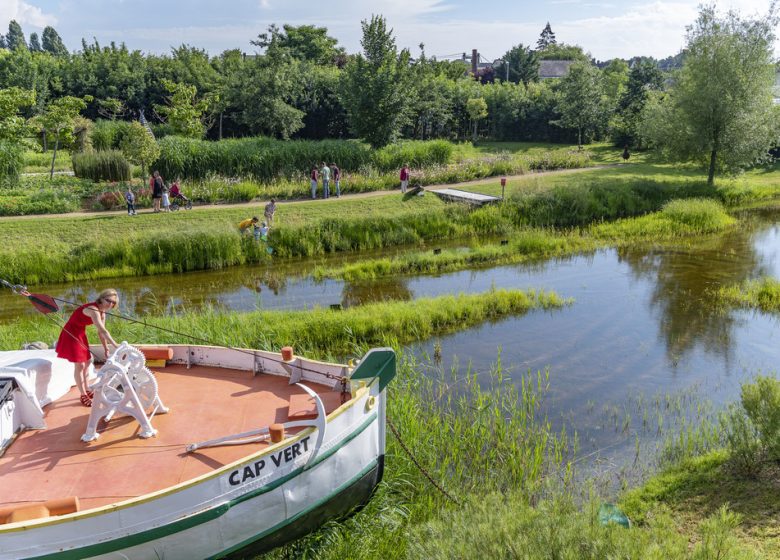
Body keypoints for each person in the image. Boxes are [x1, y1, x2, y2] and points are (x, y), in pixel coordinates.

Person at [55, 289, 119, 407]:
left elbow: (101, 333)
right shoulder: (94, 310)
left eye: (113, 303)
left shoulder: (102, 312)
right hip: (71, 333)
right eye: (108, 301)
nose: (110, 304)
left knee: (88, 361)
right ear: (101, 298)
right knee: (80, 365)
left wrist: (106, 348)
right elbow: (103, 330)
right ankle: (83, 394)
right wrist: (116, 345)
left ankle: (87, 389)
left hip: (80, 333)